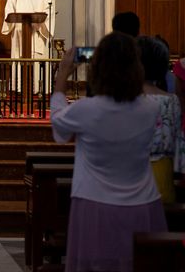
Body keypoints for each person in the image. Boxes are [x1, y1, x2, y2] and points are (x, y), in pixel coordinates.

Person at [51, 32, 167, 271]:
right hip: (143, 203)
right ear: (137, 67)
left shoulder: (86, 110)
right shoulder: (150, 108)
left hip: (95, 204)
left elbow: (59, 129)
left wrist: (61, 80)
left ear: (97, 68)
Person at [137, 36, 185, 203]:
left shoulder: (124, 100)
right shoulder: (171, 101)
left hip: (130, 173)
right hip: (162, 173)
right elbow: (178, 141)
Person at [1, 0, 55, 92]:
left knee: (37, 61)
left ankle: (38, 89)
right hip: (20, 31)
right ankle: (19, 89)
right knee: (19, 60)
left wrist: (39, 23)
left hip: (37, 30)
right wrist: (13, 21)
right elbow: (9, 7)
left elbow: (50, 9)